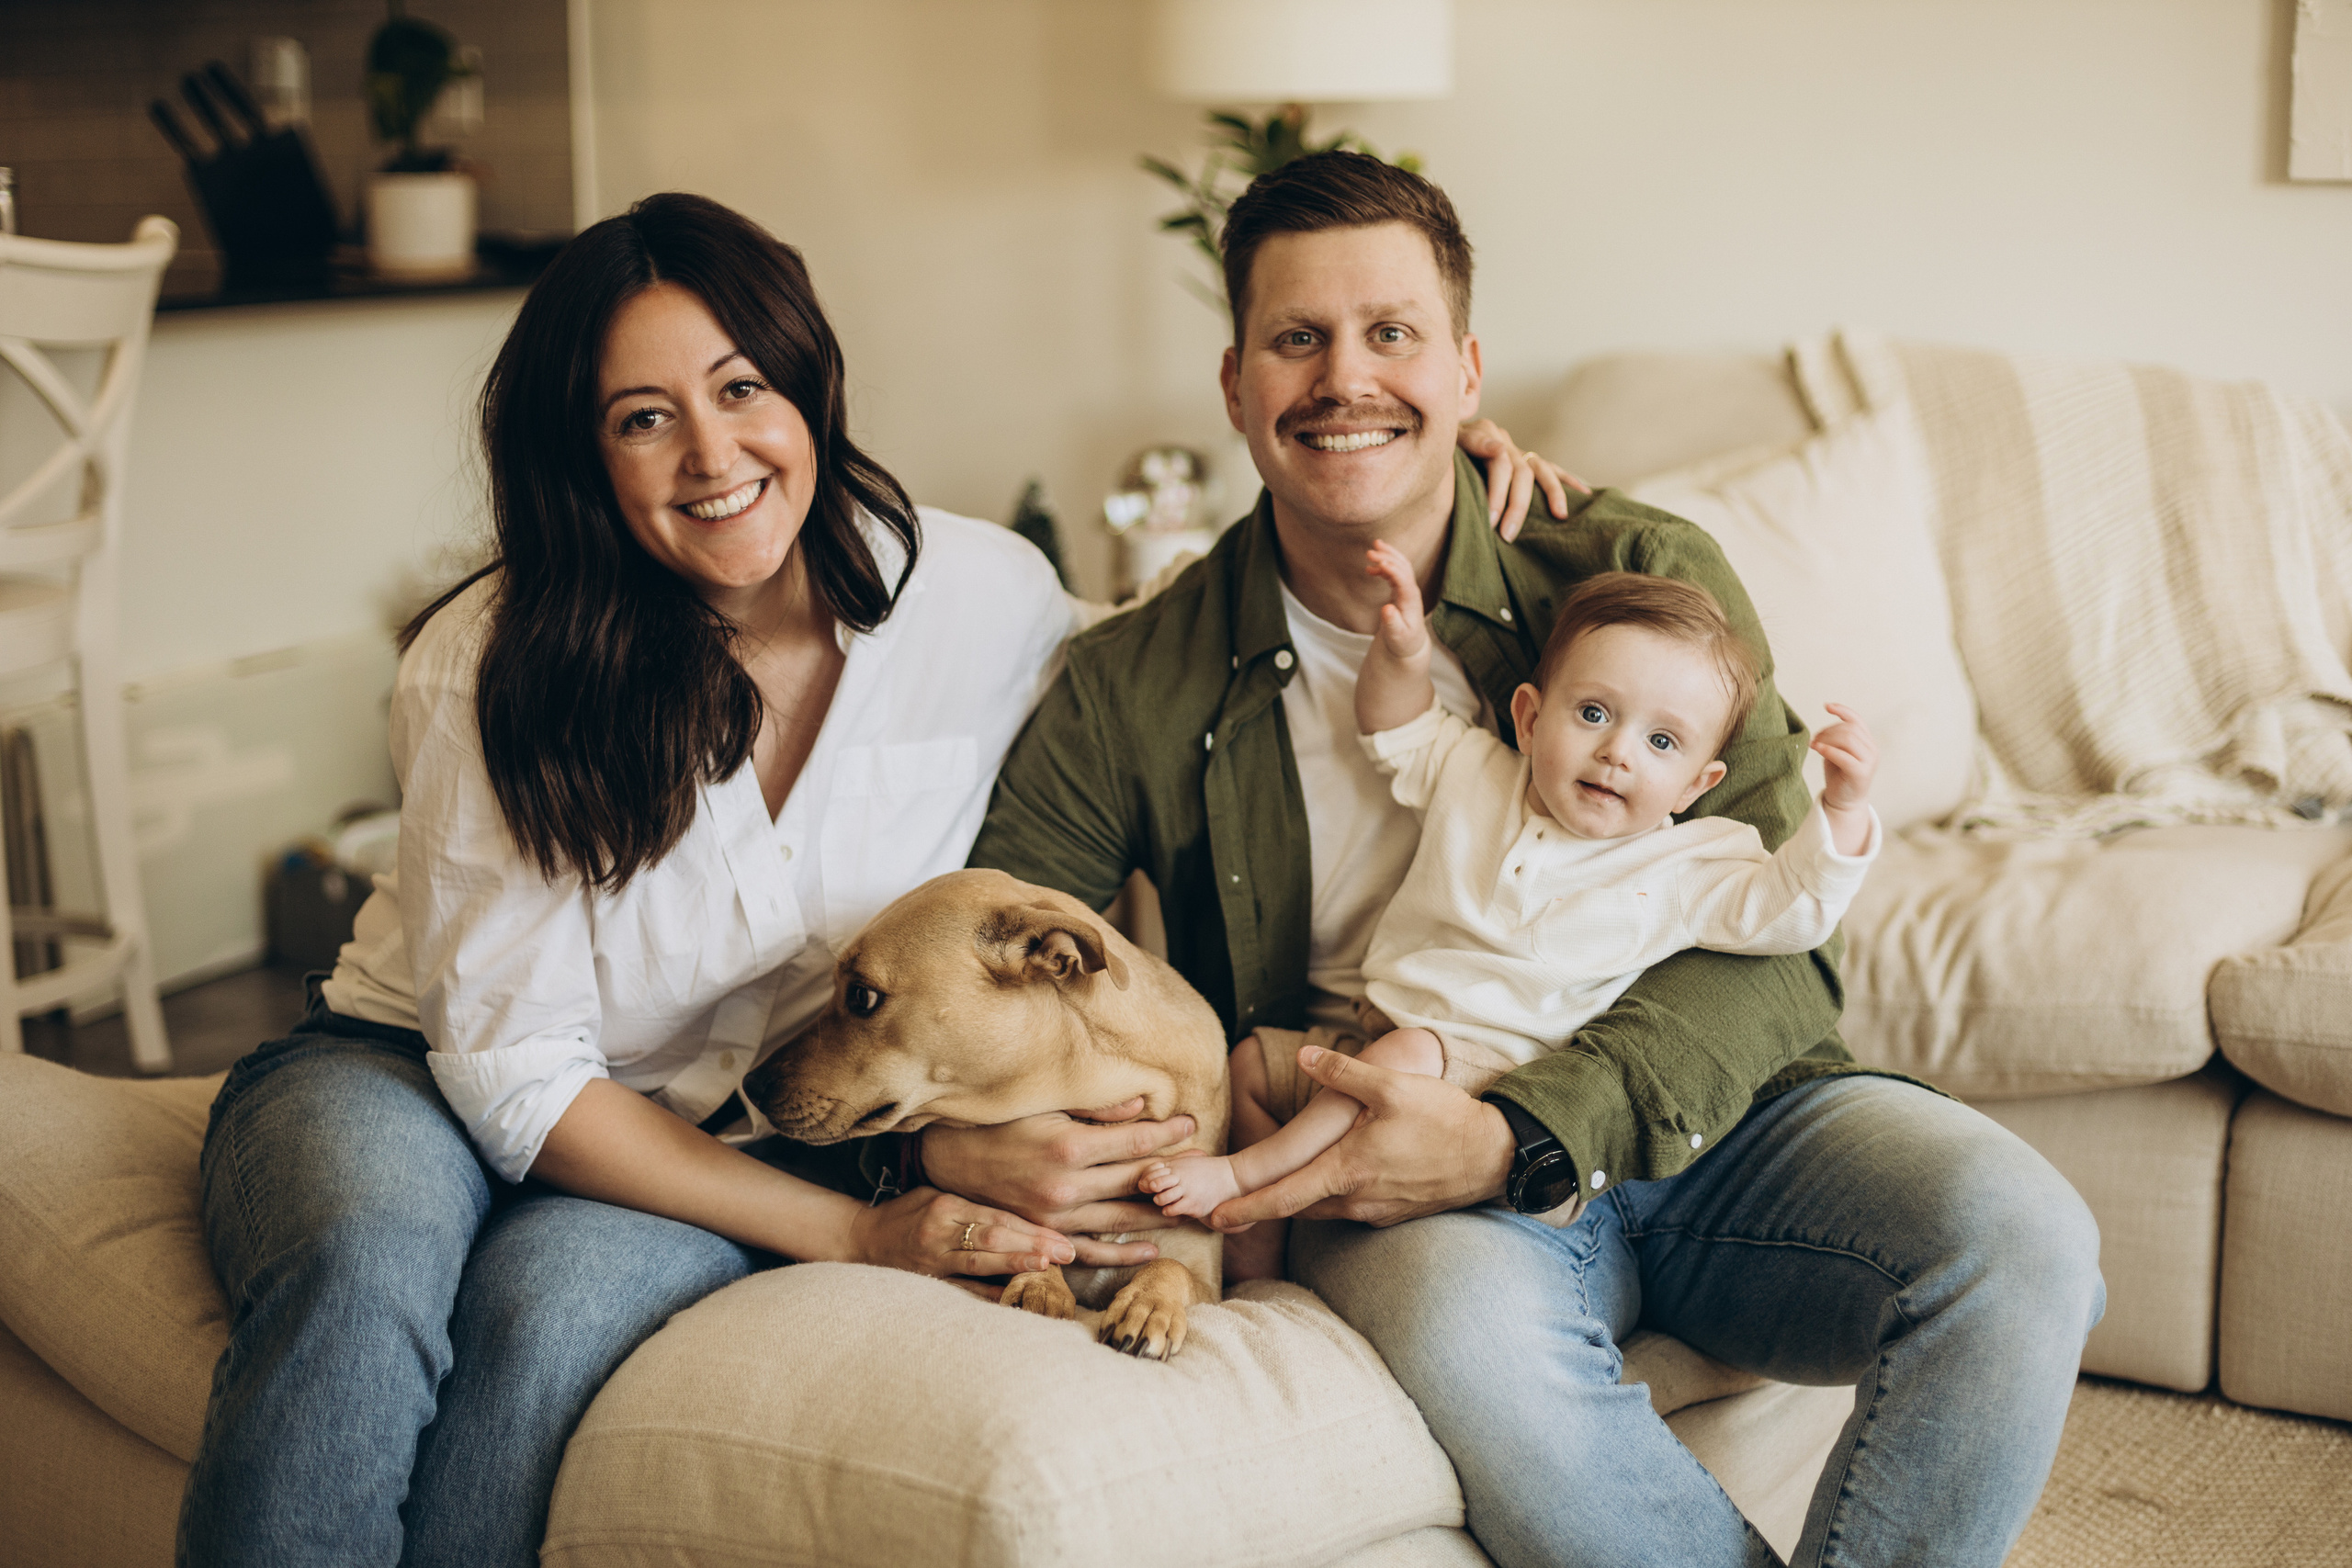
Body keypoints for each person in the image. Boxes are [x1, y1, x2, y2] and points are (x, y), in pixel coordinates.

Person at [175, 190, 1567, 1568]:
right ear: (580, 455)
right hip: (410, 1065)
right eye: (641, 417)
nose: (711, 452)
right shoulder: (490, 661)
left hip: (738, 1123)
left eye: (743, 388)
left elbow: (1173, 652)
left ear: (809, 390)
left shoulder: (976, 593)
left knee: (541, 1326)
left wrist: (1405, 460)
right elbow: (515, 1075)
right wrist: (857, 1221)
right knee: (364, 1270)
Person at [967, 150, 2105, 1568]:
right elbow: (1001, 949)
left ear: (1465, 370)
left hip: (1705, 1122)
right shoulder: (1136, 677)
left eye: (1391, 334)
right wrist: (999, 1136)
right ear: (1236, 382)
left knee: (2024, 1233)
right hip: (1382, 1146)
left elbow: (1786, 951)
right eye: (1296, 338)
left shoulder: (1627, 569)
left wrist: (1525, 1127)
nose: (1344, 379)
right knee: (1470, 1339)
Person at [1138, 562, 1883, 1259]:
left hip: (1497, 1078)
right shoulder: (1475, 772)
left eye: (1661, 741)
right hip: (1376, 1028)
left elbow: (1791, 912)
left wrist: (1842, 810)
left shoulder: (1690, 864)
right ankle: (1267, 1248)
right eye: (1593, 712)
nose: (1618, 751)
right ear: (1529, 718)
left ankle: (1239, 1179)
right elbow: (1396, 732)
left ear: (1696, 782)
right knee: (1250, 1063)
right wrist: (1401, 654)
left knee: (1404, 1057)